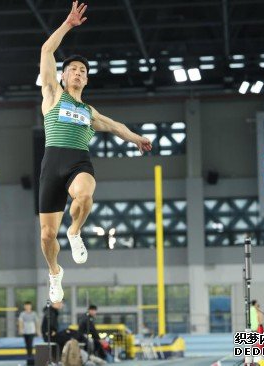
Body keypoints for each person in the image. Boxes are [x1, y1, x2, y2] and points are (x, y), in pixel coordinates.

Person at [38, 0, 152, 303]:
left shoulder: (89, 112)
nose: (77, 72)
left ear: (86, 79)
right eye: (72, 69)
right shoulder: (52, 95)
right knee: (47, 236)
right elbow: (47, 51)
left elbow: (116, 127)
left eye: (82, 70)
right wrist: (68, 25)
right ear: (62, 76)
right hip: (52, 163)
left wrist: (137, 139)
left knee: (85, 195)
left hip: (77, 160)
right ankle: (54, 273)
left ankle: (75, 231)